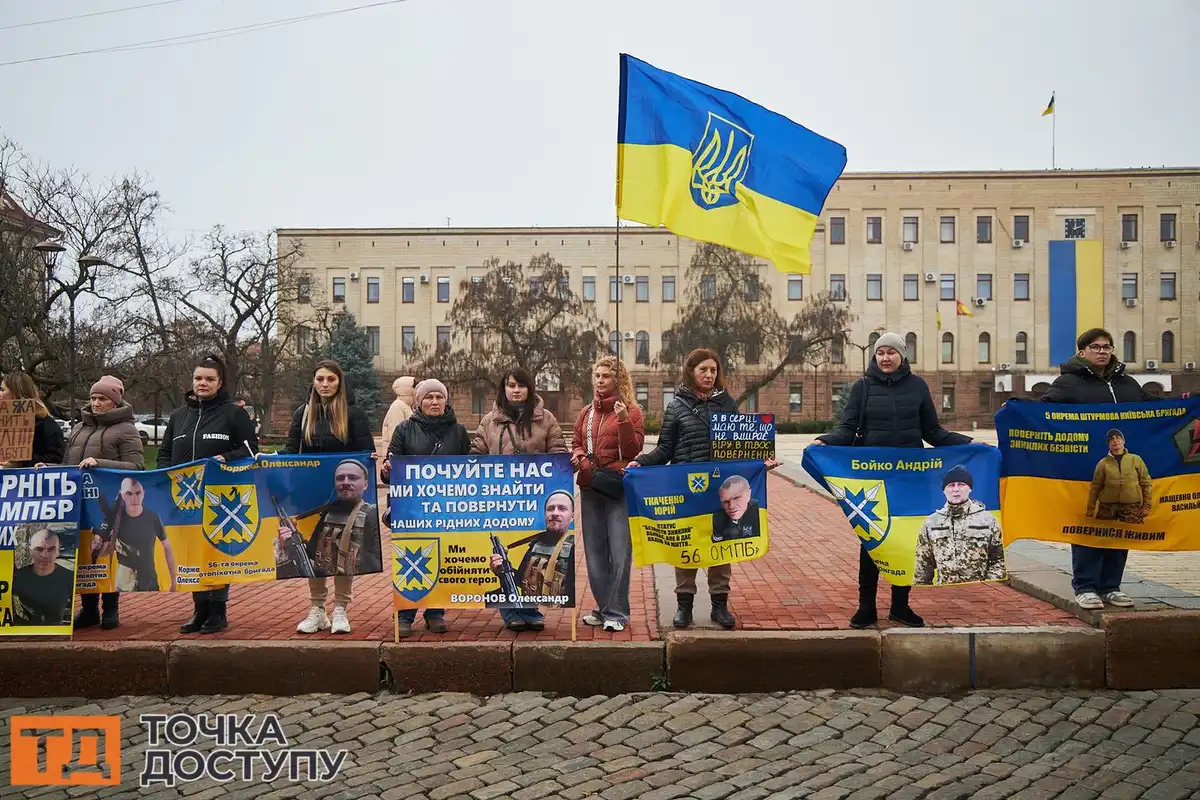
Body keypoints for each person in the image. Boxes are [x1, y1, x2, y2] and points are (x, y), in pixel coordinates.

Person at [814, 332, 972, 629]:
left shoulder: (918, 386)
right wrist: (825, 441)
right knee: (871, 542)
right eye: (880, 353)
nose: (885, 358)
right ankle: (866, 607)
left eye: (891, 352)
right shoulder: (862, 387)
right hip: (872, 479)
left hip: (910, 477)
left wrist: (970, 444)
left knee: (907, 541)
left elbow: (933, 432)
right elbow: (847, 429)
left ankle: (901, 606)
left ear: (902, 355)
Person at [629, 348, 779, 630]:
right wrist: (642, 461)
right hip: (687, 489)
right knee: (686, 544)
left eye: (713, 370)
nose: (709, 375)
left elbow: (740, 447)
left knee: (721, 547)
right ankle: (684, 606)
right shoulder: (676, 407)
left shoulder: (727, 405)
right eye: (703, 370)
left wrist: (760, 463)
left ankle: (719, 606)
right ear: (691, 372)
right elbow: (665, 448)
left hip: (721, 488)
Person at [1038, 328, 1154, 610]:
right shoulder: (1068, 383)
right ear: (1082, 352)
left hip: (1125, 470)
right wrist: (1015, 409)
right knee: (1088, 524)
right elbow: (1043, 412)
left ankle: (1111, 586)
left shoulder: (1127, 384)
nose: (1102, 351)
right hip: (1085, 472)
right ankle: (1086, 586)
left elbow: (1156, 410)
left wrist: (1189, 402)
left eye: (1107, 346)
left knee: (1120, 526)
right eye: (1095, 347)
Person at [160, 354, 259, 635]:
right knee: (192, 553)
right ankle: (199, 608)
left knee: (214, 551)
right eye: (198, 378)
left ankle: (218, 610)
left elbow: (250, 449)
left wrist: (227, 457)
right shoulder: (179, 416)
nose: (202, 383)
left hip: (219, 497)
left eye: (209, 379)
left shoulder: (233, 413)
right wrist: (166, 474)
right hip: (185, 497)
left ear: (220, 382)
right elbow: (166, 453)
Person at [278, 360, 377, 634]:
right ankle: (317, 610)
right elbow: (290, 449)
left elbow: (365, 451)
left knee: (342, 551)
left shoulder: (353, 414)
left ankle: (341, 609)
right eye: (320, 379)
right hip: (309, 495)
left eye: (331, 379)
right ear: (314, 382)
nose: (325, 384)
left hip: (343, 496)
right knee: (314, 553)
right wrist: (273, 463)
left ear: (339, 383)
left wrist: (371, 458)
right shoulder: (303, 413)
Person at [471, 367, 569, 631]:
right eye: (511, 385)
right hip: (500, 501)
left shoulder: (546, 419)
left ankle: (531, 610)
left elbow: (559, 456)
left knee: (533, 557)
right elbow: (475, 457)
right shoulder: (489, 421)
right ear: (503, 389)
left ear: (530, 389)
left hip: (535, 501)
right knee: (502, 559)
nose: (516, 390)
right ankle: (510, 611)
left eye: (521, 386)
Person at [45, 375, 145, 629]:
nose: (96, 403)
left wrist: (100, 464)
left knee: (107, 555)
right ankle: (89, 609)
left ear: (115, 401)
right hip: (79, 504)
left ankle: (111, 609)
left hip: (109, 506)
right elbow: (69, 465)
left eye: (102, 398)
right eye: (93, 398)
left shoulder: (126, 429)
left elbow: (137, 466)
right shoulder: (80, 427)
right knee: (85, 556)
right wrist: (47, 468)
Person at [381, 378, 470, 637]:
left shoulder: (459, 432)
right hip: (412, 510)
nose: (434, 402)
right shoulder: (404, 430)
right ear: (419, 402)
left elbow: (470, 470)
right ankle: (405, 615)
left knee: (441, 559)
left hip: (447, 510)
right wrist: (387, 470)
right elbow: (390, 471)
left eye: (439, 397)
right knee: (410, 559)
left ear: (446, 401)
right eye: (429, 397)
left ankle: (435, 613)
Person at [571, 355, 645, 633]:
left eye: (606, 376)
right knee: (594, 552)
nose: (600, 381)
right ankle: (603, 607)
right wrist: (580, 458)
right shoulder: (586, 413)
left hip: (617, 488)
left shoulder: (631, 411)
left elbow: (633, 450)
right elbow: (577, 442)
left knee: (619, 551)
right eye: (598, 376)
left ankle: (618, 611)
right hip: (590, 486)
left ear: (618, 379)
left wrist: (624, 420)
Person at [277, 460, 381, 629]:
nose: (346, 482)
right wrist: (290, 543)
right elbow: (311, 552)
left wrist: (346, 553)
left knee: (345, 554)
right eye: (340, 478)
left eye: (353, 478)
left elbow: (375, 557)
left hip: (348, 567)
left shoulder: (369, 514)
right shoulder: (325, 513)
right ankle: (318, 610)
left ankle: (340, 609)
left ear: (365, 484)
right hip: (320, 566)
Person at [913, 465, 1005, 586]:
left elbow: (999, 560)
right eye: (951, 485)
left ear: (970, 488)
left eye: (961, 484)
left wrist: (987, 586)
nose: (956, 489)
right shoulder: (931, 523)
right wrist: (923, 595)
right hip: (945, 594)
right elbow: (923, 564)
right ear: (944, 490)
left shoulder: (987, 520)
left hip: (980, 594)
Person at [487, 491, 575, 614]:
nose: (555, 513)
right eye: (550, 509)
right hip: (530, 612)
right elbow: (521, 581)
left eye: (562, 509)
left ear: (572, 516)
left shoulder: (572, 548)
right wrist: (503, 570)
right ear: (545, 514)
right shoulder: (535, 545)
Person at [11, 526, 75, 627]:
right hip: (23, 634)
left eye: (51, 549)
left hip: (57, 635)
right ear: (30, 549)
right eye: (39, 549)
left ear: (58, 550)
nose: (45, 555)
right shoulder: (17, 577)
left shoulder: (70, 578)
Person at [1, 370, 64, 468]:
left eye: (2, 389)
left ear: (16, 393)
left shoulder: (45, 424)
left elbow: (56, 458)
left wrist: (21, 462)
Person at [1087, 429, 1152, 524]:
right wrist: (1090, 509)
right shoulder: (1103, 463)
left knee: (1133, 536)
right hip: (1107, 508)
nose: (1115, 440)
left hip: (1131, 507)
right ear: (1108, 444)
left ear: (1123, 441)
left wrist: (1146, 506)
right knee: (1103, 537)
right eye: (1111, 439)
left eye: (1118, 438)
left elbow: (1146, 483)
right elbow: (1095, 487)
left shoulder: (1136, 459)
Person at [711, 475, 762, 543]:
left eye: (736, 498)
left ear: (749, 494)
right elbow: (716, 545)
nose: (731, 506)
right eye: (725, 502)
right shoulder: (718, 518)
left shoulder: (758, 512)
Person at [381, 376, 415, 447]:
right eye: (414, 386)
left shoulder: (406, 406)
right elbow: (394, 434)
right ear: (407, 389)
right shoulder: (397, 407)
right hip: (399, 455)